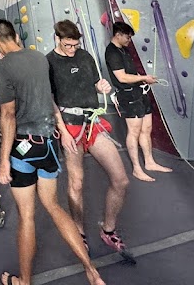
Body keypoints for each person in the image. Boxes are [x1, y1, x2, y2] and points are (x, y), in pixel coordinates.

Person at [0, 19, 105, 285]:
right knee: (53, 206)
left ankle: (24, 281)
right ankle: (91, 270)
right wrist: (62, 130)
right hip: (49, 144)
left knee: (27, 216)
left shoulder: (3, 67)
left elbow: (8, 114)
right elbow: (48, 98)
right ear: (16, 36)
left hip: (25, 147)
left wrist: (3, 161)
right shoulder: (39, 59)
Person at [48, 20, 133, 260]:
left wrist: (101, 86)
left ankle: (108, 230)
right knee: (76, 183)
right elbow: (50, 99)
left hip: (92, 123)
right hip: (70, 125)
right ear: (57, 39)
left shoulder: (85, 56)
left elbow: (94, 83)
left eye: (75, 45)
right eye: (67, 45)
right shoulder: (49, 62)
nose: (72, 49)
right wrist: (63, 130)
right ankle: (79, 233)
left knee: (121, 180)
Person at [104, 21, 171, 182]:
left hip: (140, 92)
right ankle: (136, 169)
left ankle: (149, 162)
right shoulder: (112, 52)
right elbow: (122, 77)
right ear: (118, 35)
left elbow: (131, 74)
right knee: (134, 132)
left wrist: (144, 80)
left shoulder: (124, 49)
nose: (129, 40)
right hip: (128, 96)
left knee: (146, 128)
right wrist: (143, 78)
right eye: (127, 37)